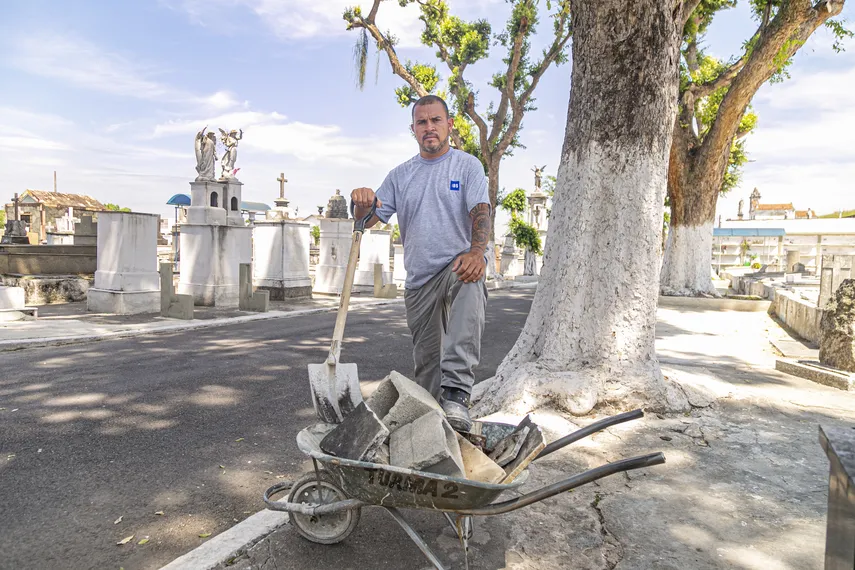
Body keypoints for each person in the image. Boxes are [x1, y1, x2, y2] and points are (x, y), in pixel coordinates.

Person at [351, 95, 490, 433]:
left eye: (435, 121)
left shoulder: (467, 166)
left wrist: (476, 251)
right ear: (413, 129)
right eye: (422, 122)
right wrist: (361, 203)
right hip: (419, 282)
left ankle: (458, 392)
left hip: (455, 267)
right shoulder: (401, 176)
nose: (429, 127)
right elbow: (367, 220)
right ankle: (435, 433)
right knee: (427, 370)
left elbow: (481, 211)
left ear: (449, 125)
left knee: (469, 277)